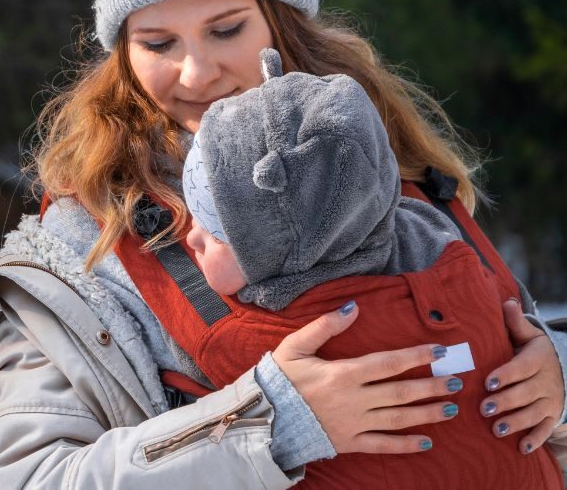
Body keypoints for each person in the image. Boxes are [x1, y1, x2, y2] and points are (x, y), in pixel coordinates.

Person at [0, 0, 567, 487]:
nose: (196, 73)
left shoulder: (393, 170)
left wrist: (552, 375)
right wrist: (270, 421)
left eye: (226, 29)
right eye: (158, 42)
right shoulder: (84, 246)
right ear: (123, 55)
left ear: (282, 26)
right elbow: (31, 478)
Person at [175, 47, 562, 487]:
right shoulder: (443, 246)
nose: (190, 239)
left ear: (284, 240)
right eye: (159, 41)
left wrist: (558, 366)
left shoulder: (239, 343)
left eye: (218, 232)